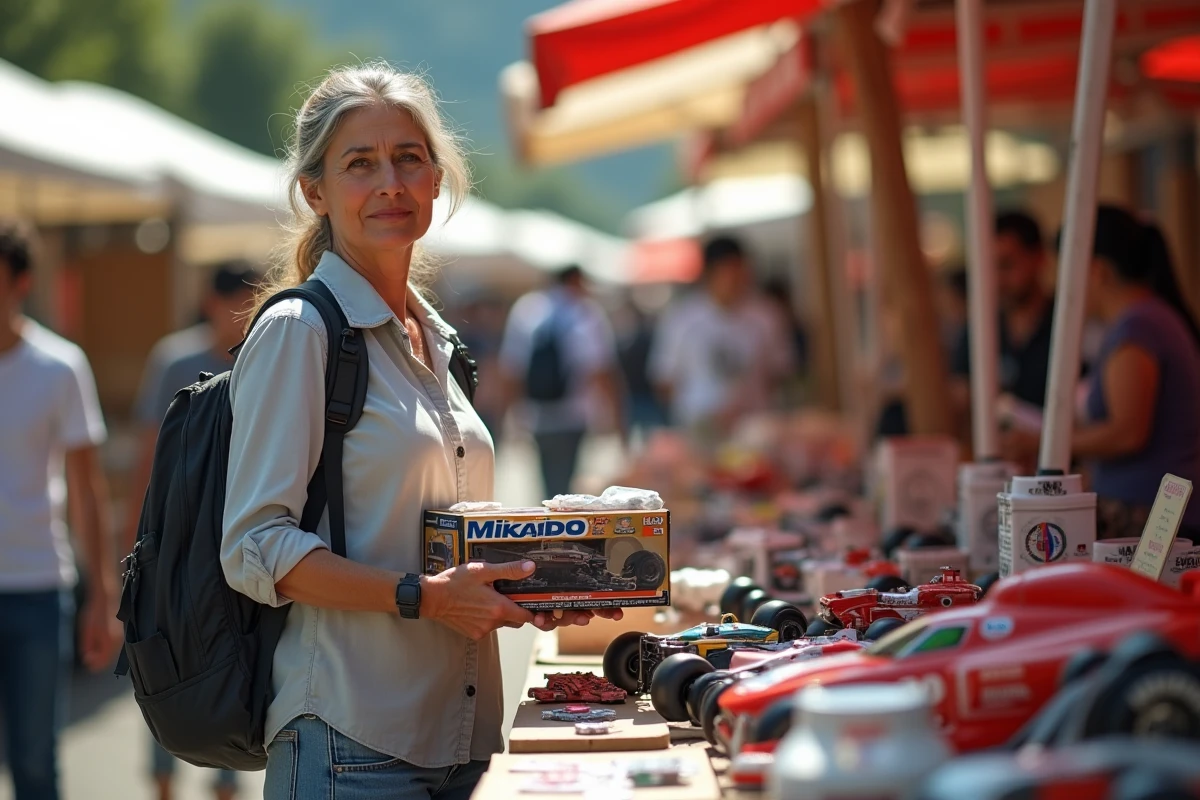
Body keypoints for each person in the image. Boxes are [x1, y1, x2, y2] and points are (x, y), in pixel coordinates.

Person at [220, 63, 617, 800]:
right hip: (351, 744)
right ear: (315, 191)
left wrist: (540, 582)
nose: (390, 184)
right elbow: (256, 549)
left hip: (462, 739)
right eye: (359, 164)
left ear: (436, 180)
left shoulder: (436, 339)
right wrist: (426, 598)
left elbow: (441, 535)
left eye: (407, 159)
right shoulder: (300, 331)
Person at [128, 261, 261, 800]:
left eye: (250, 306)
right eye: (234, 305)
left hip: (238, 545)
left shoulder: (263, 361)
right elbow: (148, 453)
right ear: (210, 303)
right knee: (166, 667)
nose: (241, 317)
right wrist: (134, 542)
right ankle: (163, 785)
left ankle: (226, 785)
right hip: (173, 544)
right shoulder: (175, 360)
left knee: (235, 673)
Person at [0, 218, 121, 800]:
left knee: (34, 762)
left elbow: (86, 488)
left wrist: (103, 597)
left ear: (21, 282)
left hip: (38, 587)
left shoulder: (58, 366)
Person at [1002, 206, 1200, 542]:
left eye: (1067, 272)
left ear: (1097, 271)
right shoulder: (1143, 321)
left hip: (1151, 520)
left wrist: (1042, 441)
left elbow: (1127, 433)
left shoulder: (1139, 327)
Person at [648, 236, 795, 443]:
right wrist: (703, 411)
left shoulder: (766, 315)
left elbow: (779, 372)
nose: (737, 281)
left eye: (741, 272)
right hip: (698, 427)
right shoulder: (682, 319)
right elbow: (664, 380)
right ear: (710, 274)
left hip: (755, 428)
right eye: (729, 273)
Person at [498, 265, 625, 498]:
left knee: (547, 485)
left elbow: (511, 370)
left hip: (536, 414)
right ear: (575, 279)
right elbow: (599, 370)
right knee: (567, 487)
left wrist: (507, 417)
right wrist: (616, 418)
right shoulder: (584, 312)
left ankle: (548, 516)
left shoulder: (527, 309)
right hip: (574, 414)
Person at [949, 211, 1056, 429]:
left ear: (1039, 258)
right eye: (990, 268)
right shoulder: (979, 329)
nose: (998, 279)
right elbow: (960, 393)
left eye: (1006, 264)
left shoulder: (1068, 326)